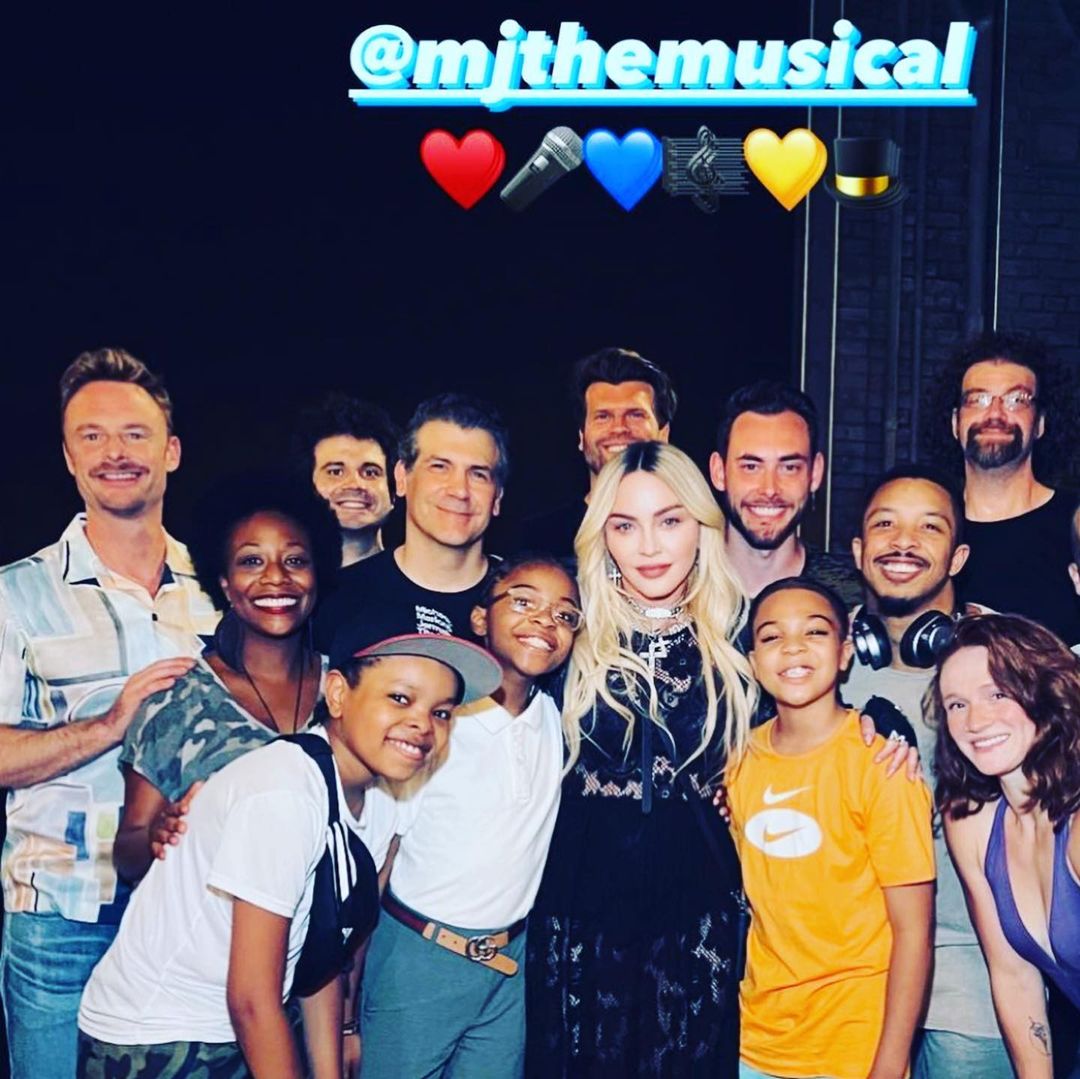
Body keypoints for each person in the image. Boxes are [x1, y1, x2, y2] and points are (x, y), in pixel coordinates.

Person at [77, 615, 502, 1079]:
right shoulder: (284, 791)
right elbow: (251, 1000)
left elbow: (320, 956)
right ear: (337, 694)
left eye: (442, 712)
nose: (422, 723)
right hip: (158, 1034)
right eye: (400, 698)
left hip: (246, 1024)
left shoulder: (380, 800)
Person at [0, 348, 218, 1078]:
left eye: (134, 433)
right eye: (91, 436)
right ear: (69, 458)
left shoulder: (223, 586)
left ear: (171, 451)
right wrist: (109, 725)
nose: (114, 452)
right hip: (64, 917)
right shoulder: (15, 594)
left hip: (195, 908)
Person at [526, 441, 754, 1077]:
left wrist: (881, 727)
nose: (649, 546)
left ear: (701, 526)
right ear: (602, 536)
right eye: (624, 525)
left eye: (670, 520)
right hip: (582, 905)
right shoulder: (565, 632)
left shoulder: (741, 636)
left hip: (696, 908)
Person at [360, 553, 580, 1077]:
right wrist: (346, 1006)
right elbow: (379, 860)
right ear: (481, 618)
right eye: (523, 602)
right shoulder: (440, 723)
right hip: (418, 955)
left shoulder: (559, 718)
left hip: (508, 960)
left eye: (565, 614)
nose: (544, 621)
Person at [842, 465, 1012, 1078]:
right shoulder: (819, 658)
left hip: (970, 979)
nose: (903, 542)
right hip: (846, 978)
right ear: (858, 550)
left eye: (929, 528)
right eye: (885, 525)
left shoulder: (1000, 664)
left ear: (958, 556)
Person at [727, 578, 935, 1079]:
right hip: (756, 1040)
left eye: (815, 632)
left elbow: (914, 932)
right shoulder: (737, 763)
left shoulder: (882, 764)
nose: (793, 647)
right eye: (772, 636)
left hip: (855, 1045)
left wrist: (891, 1061)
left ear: (844, 654)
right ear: (753, 661)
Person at [113, 477, 342, 884]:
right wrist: (157, 836)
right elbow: (127, 855)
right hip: (210, 923)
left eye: (295, 561)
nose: (276, 577)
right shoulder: (178, 702)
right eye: (252, 561)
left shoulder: (349, 692)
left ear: (317, 574)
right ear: (224, 584)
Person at [934, 614, 1080, 1079]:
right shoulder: (970, 823)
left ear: (1044, 691)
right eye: (956, 705)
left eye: (997, 693)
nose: (975, 721)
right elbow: (1015, 979)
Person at [315, 393, 508, 652]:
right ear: (401, 478)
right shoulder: (336, 598)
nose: (460, 491)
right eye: (439, 467)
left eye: (478, 474)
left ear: (497, 497)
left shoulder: (525, 606)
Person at [947, 332, 1080, 645]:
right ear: (955, 422)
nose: (995, 414)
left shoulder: (1076, 524)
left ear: (1040, 423)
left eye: (1016, 400)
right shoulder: (927, 529)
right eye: (977, 400)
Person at [709, 380, 861, 605]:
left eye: (789, 468)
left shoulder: (849, 600)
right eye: (751, 467)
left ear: (815, 473)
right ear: (719, 472)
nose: (769, 489)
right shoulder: (679, 587)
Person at [522, 348, 676, 559]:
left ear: (663, 434)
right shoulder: (539, 541)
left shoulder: (691, 529)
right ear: (581, 436)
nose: (619, 428)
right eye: (603, 417)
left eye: (635, 415)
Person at [291, 393, 400, 567]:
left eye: (370, 472)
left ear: (394, 493)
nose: (354, 484)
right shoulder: (283, 581)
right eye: (335, 472)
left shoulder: (420, 579)